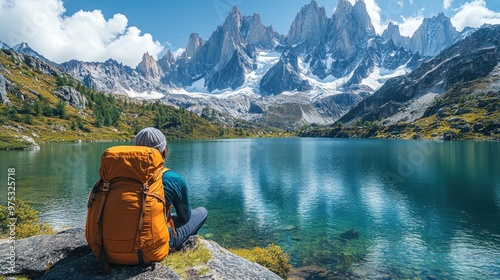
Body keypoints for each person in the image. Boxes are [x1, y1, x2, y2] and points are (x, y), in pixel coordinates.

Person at [134, 127, 208, 251]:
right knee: (202, 211)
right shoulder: (172, 179)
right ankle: (185, 247)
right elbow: (185, 217)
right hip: (151, 248)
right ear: (164, 151)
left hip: (112, 247)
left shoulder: (117, 175)